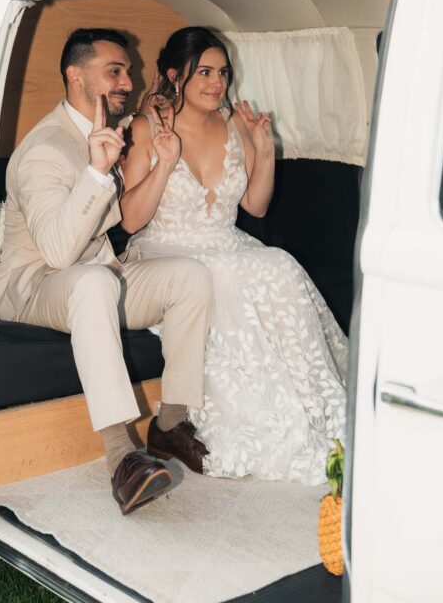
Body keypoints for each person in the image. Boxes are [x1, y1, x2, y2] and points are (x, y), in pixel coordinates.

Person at [0, 28, 214, 514]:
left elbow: (122, 222)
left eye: (128, 72)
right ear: (75, 77)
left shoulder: (103, 133)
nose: (127, 82)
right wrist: (96, 172)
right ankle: (121, 456)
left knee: (191, 276)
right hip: (35, 285)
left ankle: (170, 423)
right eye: (114, 72)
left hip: (97, 272)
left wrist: (158, 154)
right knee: (94, 283)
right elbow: (57, 252)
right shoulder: (44, 148)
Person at [121, 27, 348, 483]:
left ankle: (314, 408)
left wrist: (264, 151)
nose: (217, 83)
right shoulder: (148, 127)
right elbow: (129, 220)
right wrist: (165, 164)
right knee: (231, 274)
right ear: (175, 76)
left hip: (226, 241)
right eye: (204, 72)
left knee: (279, 264)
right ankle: (250, 419)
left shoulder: (234, 123)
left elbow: (255, 206)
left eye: (222, 73)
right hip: (165, 246)